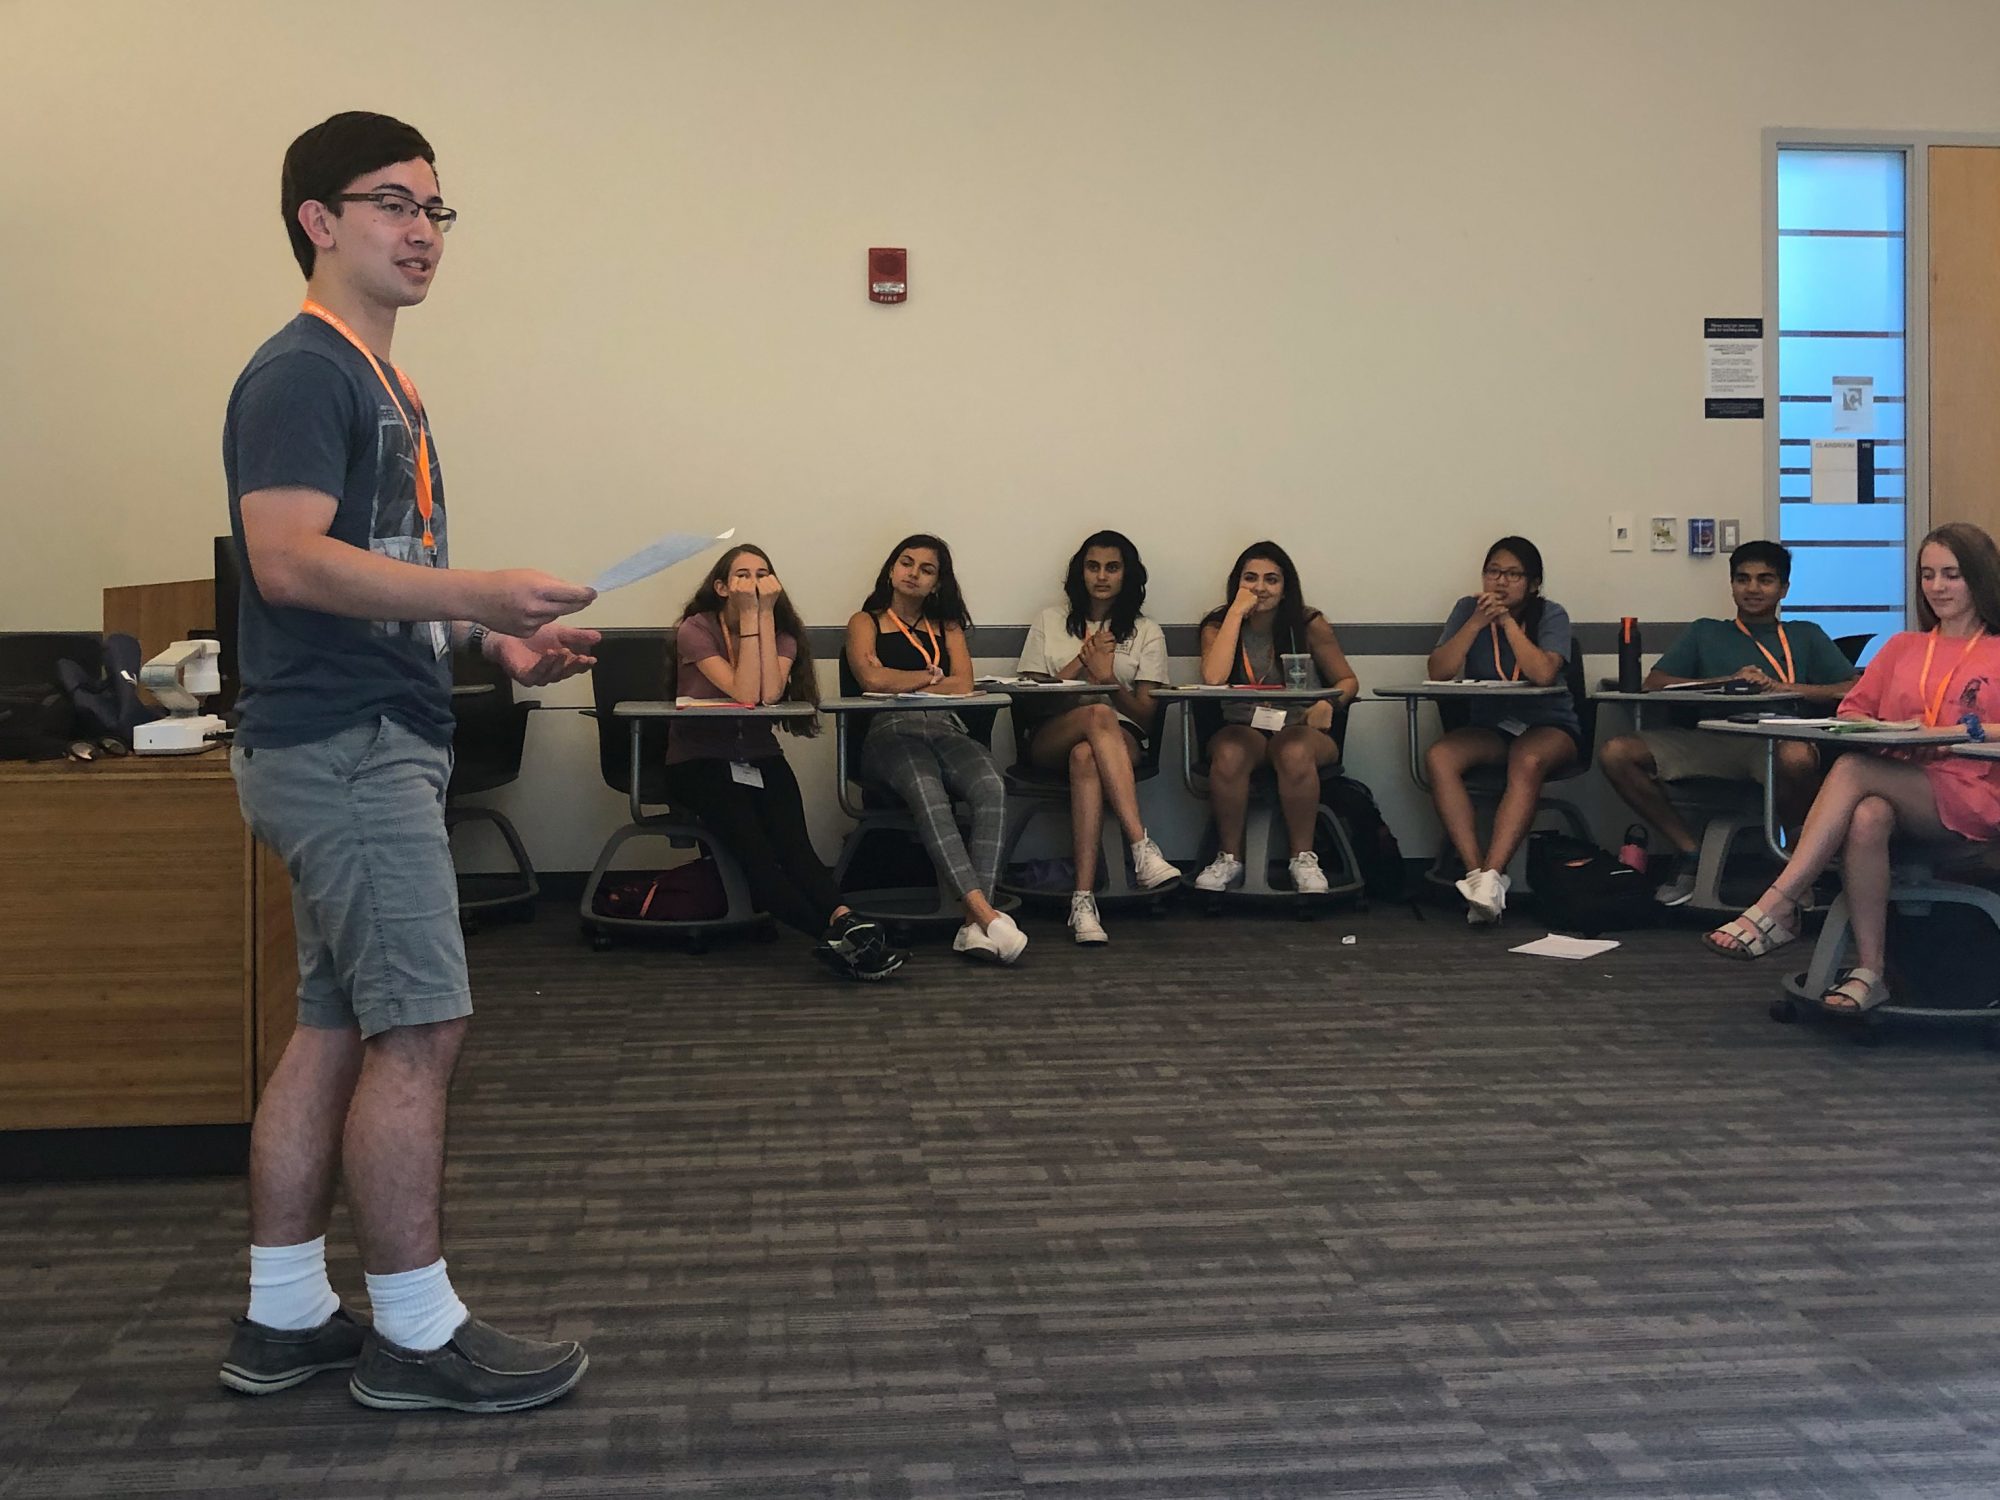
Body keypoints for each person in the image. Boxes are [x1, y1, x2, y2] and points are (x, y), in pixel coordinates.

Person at [219, 112, 597, 1413]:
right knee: (423, 1025)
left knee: (338, 1026)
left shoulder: (388, 384)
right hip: (345, 748)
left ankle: (283, 1316)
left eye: (435, 208)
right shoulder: (301, 372)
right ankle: (416, 1337)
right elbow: (286, 561)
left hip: (361, 731)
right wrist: (481, 589)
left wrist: (491, 641)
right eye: (392, 202)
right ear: (318, 220)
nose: (422, 230)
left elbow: (374, 572)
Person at [1704, 523, 2000, 1011]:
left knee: (1853, 771)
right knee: (1867, 816)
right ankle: (1870, 971)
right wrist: (1886, 730)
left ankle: (1781, 901)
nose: (1938, 587)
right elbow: (1852, 711)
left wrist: (1958, 733)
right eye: (1928, 575)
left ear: (1978, 578)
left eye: (1952, 575)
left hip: (1971, 789)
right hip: (1899, 781)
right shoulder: (1903, 646)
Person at [663, 544, 907, 980]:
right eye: (742, 575)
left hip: (759, 757)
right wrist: (750, 617)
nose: (754, 583)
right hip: (700, 761)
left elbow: (770, 695)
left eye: (763, 574)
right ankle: (838, 939)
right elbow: (744, 694)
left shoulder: (783, 634)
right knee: (757, 854)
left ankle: (845, 920)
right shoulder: (695, 629)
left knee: (796, 848)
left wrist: (761, 617)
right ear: (721, 587)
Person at [1599, 539, 1859, 905]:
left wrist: (1784, 687)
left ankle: (1797, 864)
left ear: (1784, 588)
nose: (1753, 588)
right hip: (1714, 739)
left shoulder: (1805, 634)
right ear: (1732, 585)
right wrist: (1726, 681)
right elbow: (1655, 683)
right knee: (1616, 753)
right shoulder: (1706, 631)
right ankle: (1690, 852)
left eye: (1765, 580)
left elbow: (1852, 688)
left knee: (1797, 757)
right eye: (1743, 579)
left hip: (1777, 739)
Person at [844, 534, 1026, 962]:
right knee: (927, 788)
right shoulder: (865, 622)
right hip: (889, 731)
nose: (913, 573)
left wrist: (902, 679)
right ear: (891, 569)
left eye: (926, 569)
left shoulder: (947, 626)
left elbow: (964, 684)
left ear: (937, 583)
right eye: (906, 563)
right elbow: (872, 680)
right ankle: (986, 914)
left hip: (946, 726)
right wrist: (929, 678)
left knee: (991, 784)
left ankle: (973, 928)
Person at [1016, 531, 1182, 943]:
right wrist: (1081, 662)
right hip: (1052, 733)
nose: (1102, 576)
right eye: (1093, 567)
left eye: (1112, 568)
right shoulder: (1049, 620)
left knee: (1087, 756)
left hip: (1123, 739)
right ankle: (1141, 847)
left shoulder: (1146, 631)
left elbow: (1146, 716)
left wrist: (1108, 679)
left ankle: (1083, 902)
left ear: (1128, 574)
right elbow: (1031, 704)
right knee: (1096, 713)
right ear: (1080, 572)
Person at [1425, 536, 1581, 925]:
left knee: (1526, 759)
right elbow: (1438, 671)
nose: (1500, 581)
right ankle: (1477, 876)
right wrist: (1476, 623)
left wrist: (1508, 622)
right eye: (1493, 572)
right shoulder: (1467, 609)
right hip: (1491, 726)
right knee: (1440, 756)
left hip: (1549, 724)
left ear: (1533, 583)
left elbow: (1543, 673)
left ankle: (1494, 873)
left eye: (1513, 574)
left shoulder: (1551, 614)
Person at [1191, 541, 1359, 895]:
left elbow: (1348, 680)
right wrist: (1235, 614)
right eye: (1250, 578)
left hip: (1300, 727)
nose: (1260, 588)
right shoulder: (1217, 625)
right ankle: (1229, 858)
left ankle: (1303, 858)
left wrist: (1330, 703)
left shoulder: (1309, 624)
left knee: (1292, 751)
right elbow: (1214, 677)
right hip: (1244, 728)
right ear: (1237, 584)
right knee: (1229, 754)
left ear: (1285, 588)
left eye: (1271, 579)